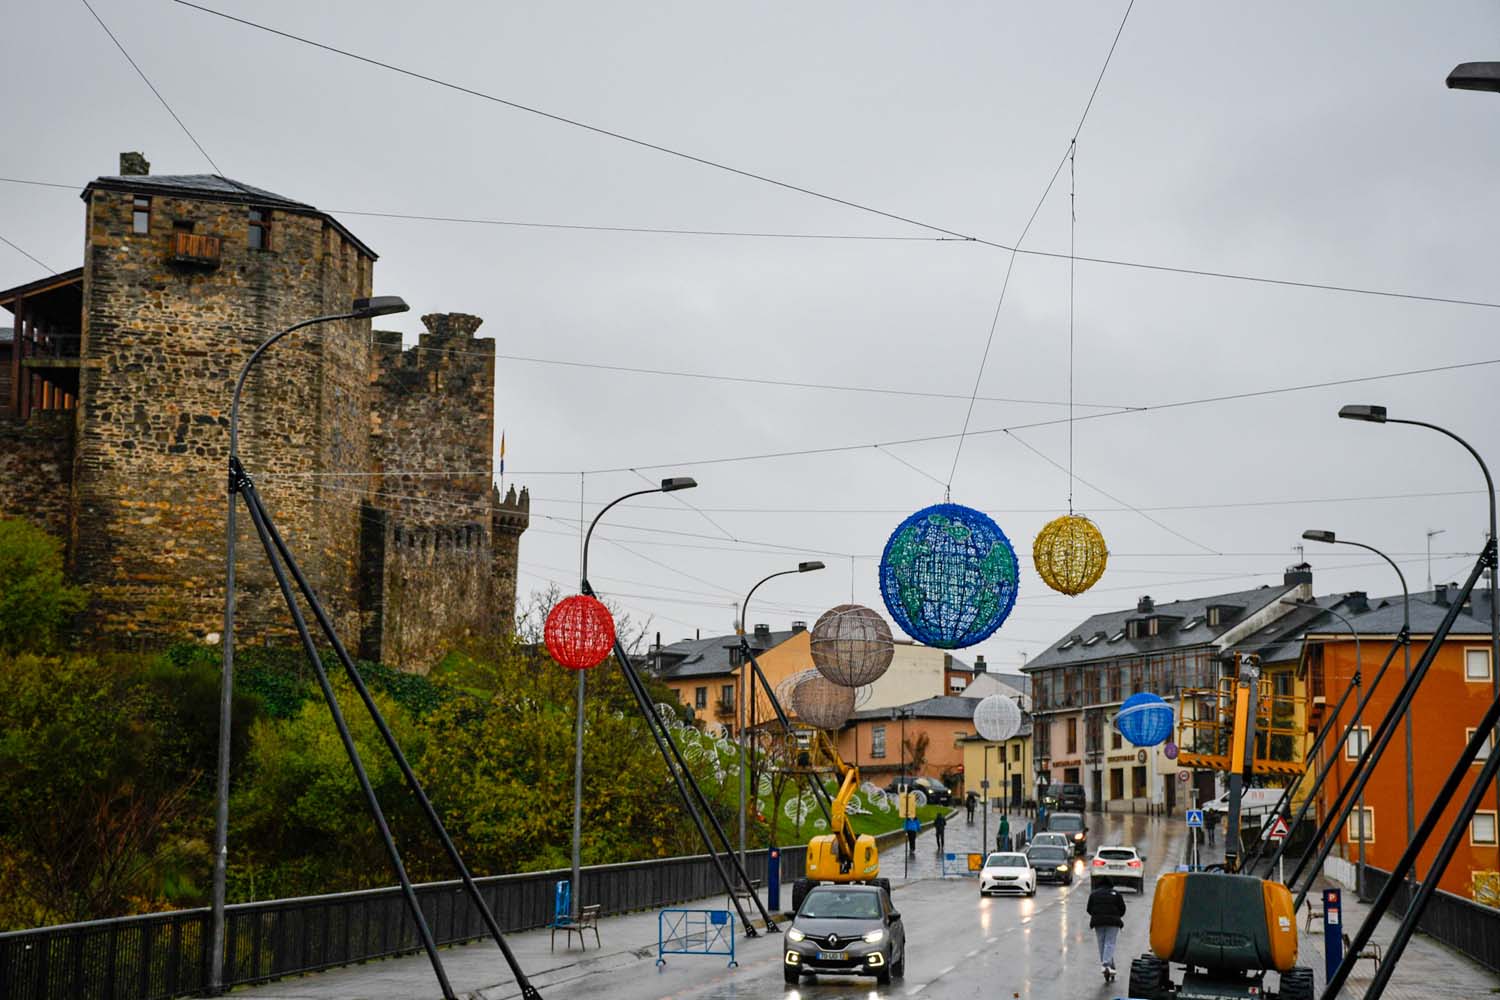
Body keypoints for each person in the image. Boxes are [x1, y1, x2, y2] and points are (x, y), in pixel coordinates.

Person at [1087, 876, 1127, 975]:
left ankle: (1105, 964)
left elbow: (1089, 909)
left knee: (1101, 942)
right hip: (1113, 922)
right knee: (1110, 942)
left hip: (1098, 922)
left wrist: (1097, 915)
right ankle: (1106, 964)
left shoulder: (1094, 894)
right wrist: (1117, 915)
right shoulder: (1116, 894)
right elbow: (1122, 909)